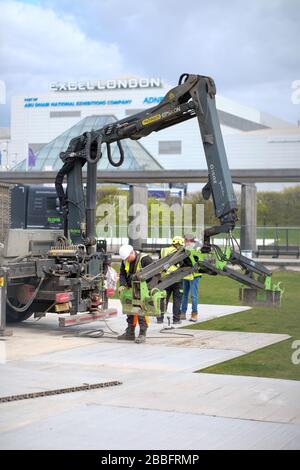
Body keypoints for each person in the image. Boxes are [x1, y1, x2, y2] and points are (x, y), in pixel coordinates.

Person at [117, 244, 153, 344]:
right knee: (129, 310)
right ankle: (130, 333)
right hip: (130, 288)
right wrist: (122, 284)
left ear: (132, 252)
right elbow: (122, 274)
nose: (127, 260)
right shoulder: (125, 260)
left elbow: (154, 275)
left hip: (143, 289)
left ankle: (142, 333)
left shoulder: (145, 259)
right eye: (126, 259)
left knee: (141, 311)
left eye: (129, 258)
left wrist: (147, 289)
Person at [157, 236, 184, 325]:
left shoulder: (163, 250)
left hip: (165, 278)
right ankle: (176, 319)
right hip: (177, 279)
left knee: (163, 298)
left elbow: (159, 263)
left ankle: (160, 318)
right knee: (177, 300)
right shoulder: (182, 252)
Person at [180, 234, 202, 322]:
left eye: (185, 240)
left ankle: (194, 313)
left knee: (193, 296)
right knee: (184, 295)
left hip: (195, 276)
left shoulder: (196, 249)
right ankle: (183, 313)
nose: (184, 242)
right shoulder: (185, 249)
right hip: (186, 275)